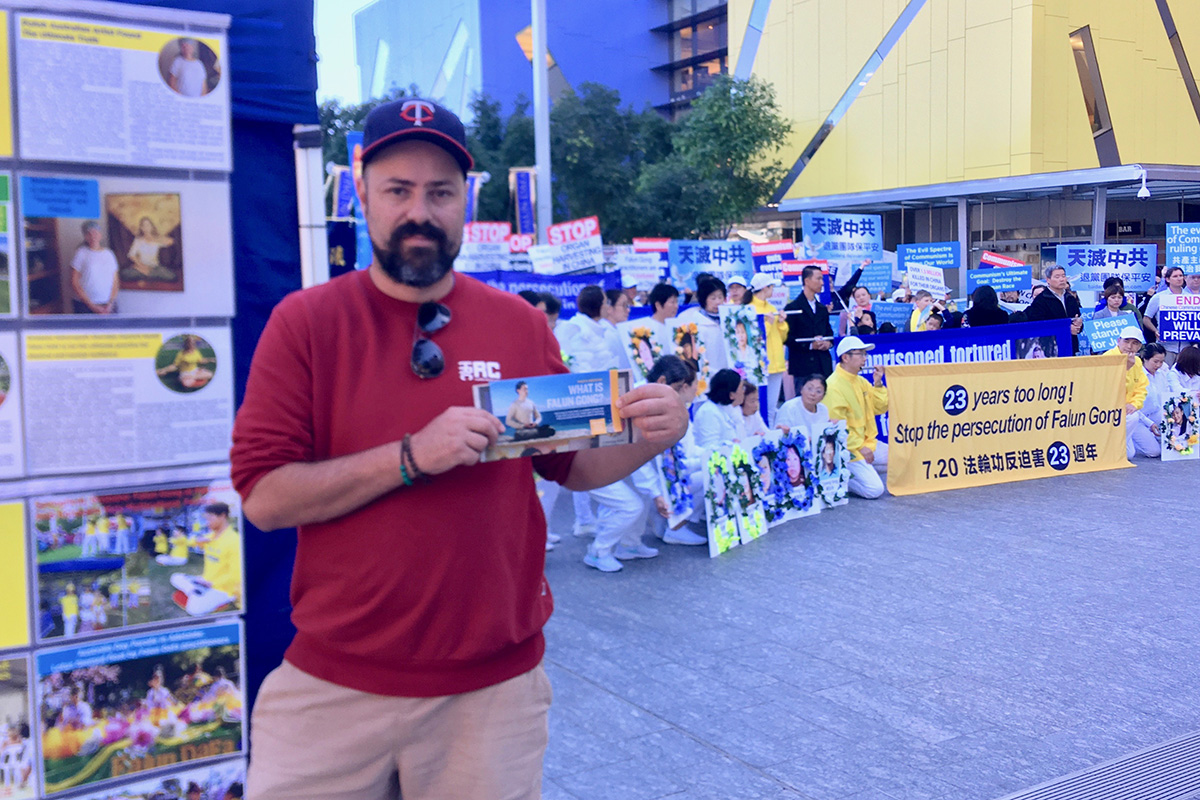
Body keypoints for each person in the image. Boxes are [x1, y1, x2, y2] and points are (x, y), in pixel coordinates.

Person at [230, 98, 687, 800]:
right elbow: (264, 498)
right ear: (362, 196)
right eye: (398, 190)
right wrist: (410, 456)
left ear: (465, 202)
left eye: (440, 192)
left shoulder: (516, 324)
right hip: (331, 688)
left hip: (491, 696)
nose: (420, 211)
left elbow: (571, 464)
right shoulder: (306, 324)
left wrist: (654, 434)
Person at [647, 356, 707, 545]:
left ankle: (671, 524)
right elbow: (674, 462)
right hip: (654, 479)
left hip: (658, 476)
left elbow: (688, 450)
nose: (697, 390)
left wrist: (710, 454)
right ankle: (676, 527)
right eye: (694, 385)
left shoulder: (677, 408)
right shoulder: (660, 407)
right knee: (707, 474)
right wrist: (706, 460)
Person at [823, 336, 888, 499]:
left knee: (901, 459)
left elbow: (880, 408)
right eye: (861, 354)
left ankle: (860, 471)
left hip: (866, 443)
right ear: (846, 357)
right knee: (874, 490)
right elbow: (836, 431)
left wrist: (878, 383)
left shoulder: (860, 381)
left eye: (865, 354)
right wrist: (860, 447)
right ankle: (841, 477)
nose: (865, 358)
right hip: (848, 449)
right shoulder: (833, 386)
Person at [784, 265, 834, 390]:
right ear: (807, 281)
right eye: (818, 279)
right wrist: (810, 345)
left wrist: (828, 343)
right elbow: (787, 338)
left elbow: (829, 333)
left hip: (823, 365)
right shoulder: (792, 308)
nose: (822, 283)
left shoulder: (822, 309)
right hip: (803, 367)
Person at [748, 273, 788, 423]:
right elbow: (754, 338)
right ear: (765, 288)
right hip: (760, 365)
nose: (773, 290)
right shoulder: (749, 308)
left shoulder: (771, 307)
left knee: (772, 407)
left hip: (776, 364)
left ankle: (770, 434)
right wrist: (768, 324)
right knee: (757, 407)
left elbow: (781, 338)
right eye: (771, 287)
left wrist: (781, 323)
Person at [1106, 326, 1149, 460]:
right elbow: (1107, 387)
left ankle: (1115, 446)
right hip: (1109, 408)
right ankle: (1109, 447)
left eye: (1135, 343)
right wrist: (1126, 368)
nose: (1130, 346)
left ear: (1139, 347)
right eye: (1126, 341)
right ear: (1118, 341)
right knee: (1133, 417)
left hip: (1127, 408)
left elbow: (1142, 387)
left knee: (1129, 454)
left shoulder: (1137, 361)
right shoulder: (1107, 358)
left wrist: (1134, 404)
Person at [1025, 265, 1084, 353]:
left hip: (1070, 345)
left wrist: (1078, 325)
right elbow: (1039, 325)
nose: (1062, 279)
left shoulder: (1070, 298)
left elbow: (1076, 321)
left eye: (1063, 276)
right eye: (1057, 277)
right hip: (1051, 347)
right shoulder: (1041, 300)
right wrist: (1066, 329)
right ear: (1048, 280)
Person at [676, 278, 728, 372]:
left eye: (720, 297)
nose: (717, 302)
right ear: (704, 299)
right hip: (705, 371)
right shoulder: (691, 318)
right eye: (713, 298)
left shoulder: (730, 317)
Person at [70, 221, 119, 314]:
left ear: (100, 235)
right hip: (85, 306)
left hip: (108, 306)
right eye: (89, 234)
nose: (93, 236)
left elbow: (115, 282)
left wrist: (110, 304)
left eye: (95, 233)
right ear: (85, 237)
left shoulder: (109, 254)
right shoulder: (80, 253)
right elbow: (74, 282)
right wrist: (93, 306)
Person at [693, 369, 745, 452]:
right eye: (742, 388)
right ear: (731, 395)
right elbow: (708, 448)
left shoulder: (731, 408)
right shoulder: (708, 412)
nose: (744, 392)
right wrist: (730, 444)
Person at [1145, 267, 1188, 364]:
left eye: (1181, 276)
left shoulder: (1191, 298)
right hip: (1165, 347)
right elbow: (1146, 318)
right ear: (1167, 279)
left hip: (1186, 347)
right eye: (1175, 276)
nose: (1179, 278)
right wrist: (1155, 331)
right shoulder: (1158, 297)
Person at [776, 374, 831, 445]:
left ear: (823, 396)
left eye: (818, 391)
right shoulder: (789, 407)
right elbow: (781, 436)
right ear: (801, 389)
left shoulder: (823, 409)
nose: (813, 394)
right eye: (809, 389)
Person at [124, 216, 177, 282]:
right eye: (144, 225)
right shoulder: (138, 240)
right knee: (125, 274)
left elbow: (171, 241)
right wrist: (142, 267)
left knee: (172, 277)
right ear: (141, 228)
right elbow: (131, 255)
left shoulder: (157, 239)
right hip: (141, 267)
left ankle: (147, 276)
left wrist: (155, 239)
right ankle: (150, 276)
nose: (146, 227)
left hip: (154, 267)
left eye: (148, 225)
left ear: (152, 227)